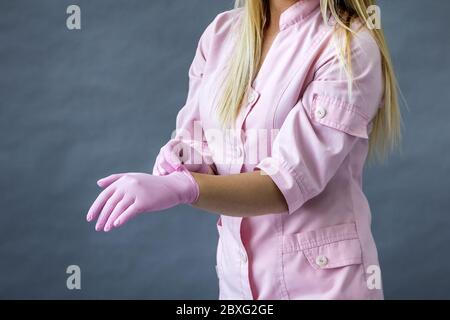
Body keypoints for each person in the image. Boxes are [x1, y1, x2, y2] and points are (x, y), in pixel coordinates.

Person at [87, 0, 401, 300]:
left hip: (323, 286)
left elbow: (285, 184)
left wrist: (182, 187)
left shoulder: (349, 45)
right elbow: (199, 138)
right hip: (237, 282)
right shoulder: (221, 33)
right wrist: (183, 160)